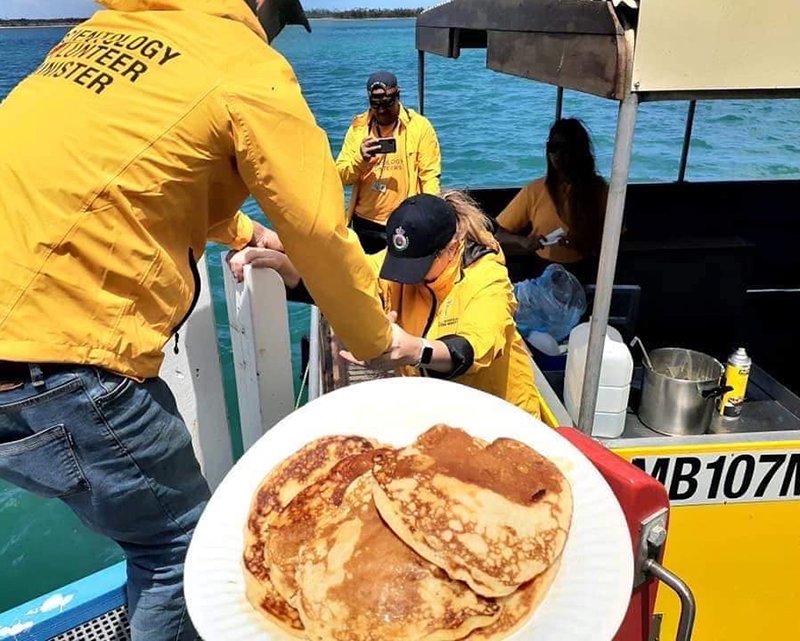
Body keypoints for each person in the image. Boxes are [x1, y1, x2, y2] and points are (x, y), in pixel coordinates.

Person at [0, 1, 420, 639]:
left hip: (19, 346)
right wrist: (377, 338)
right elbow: (316, 227)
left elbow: (142, 172)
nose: (270, 34)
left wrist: (250, 231)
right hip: (62, 357)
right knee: (180, 554)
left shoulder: (96, 35)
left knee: (142, 535)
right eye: (276, 18)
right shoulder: (245, 65)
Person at [230, 192, 543, 417]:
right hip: (440, 413)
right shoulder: (405, 265)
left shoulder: (486, 278)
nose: (406, 279)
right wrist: (287, 269)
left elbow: (472, 349)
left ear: (451, 247)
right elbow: (350, 281)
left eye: (417, 267)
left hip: (501, 417)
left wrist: (415, 350)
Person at [336, 71, 442, 253]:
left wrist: (429, 218)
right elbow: (341, 176)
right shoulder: (358, 129)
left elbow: (429, 177)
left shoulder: (419, 127)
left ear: (398, 96)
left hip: (406, 220)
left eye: (387, 103)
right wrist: (360, 158)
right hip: (365, 223)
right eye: (375, 105)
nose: (382, 110)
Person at [494, 118, 608, 283]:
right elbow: (496, 232)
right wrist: (523, 241)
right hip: (543, 272)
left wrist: (582, 241)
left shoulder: (599, 190)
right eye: (553, 148)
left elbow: (614, 237)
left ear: (579, 151)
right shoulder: (535, 190)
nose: (558, 155)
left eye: (566, 148)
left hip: (585, 272)